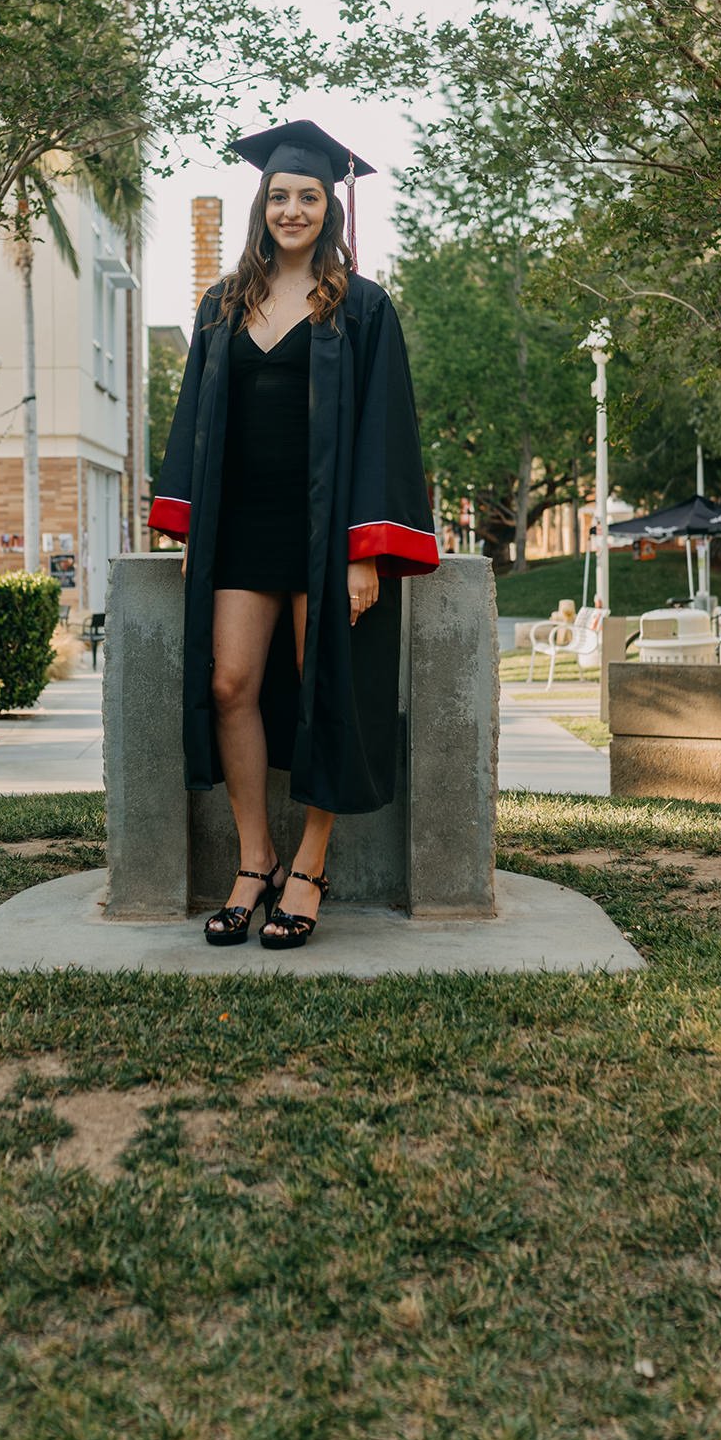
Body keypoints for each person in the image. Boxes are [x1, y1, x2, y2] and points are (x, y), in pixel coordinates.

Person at [151, 119, 439, 950]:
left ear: (329, 209)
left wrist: (362, 550)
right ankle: (255, 860)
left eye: (308, 196)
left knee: (325, 692)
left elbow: (386, 431)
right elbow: (195, 430)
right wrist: (191, 536)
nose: (292, 208)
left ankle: (309, 867)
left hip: (325, 534)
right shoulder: (221, 304)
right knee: (230, 686)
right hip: (243, 526)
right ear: (261, 204)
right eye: (279, 195)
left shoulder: (362, 306)